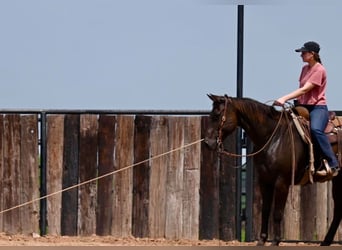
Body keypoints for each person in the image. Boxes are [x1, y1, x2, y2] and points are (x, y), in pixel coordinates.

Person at [274, 41, 339, 177]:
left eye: (303, 53)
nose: (301, 55)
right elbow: (301, 90)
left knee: (315, 129)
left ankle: (333, 162)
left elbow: (304, 89)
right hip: (302, 106)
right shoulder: (305, 69)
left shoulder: (319, 69)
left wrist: (284, 98)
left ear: (312, 54)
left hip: (317, 107)